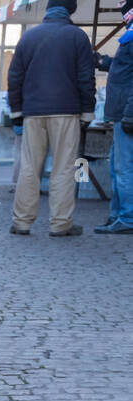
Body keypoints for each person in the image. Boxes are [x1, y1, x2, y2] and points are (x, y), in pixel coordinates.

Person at [8, 0, 96, 237]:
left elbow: (14, 77)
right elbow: (86, 79)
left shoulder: (28, 37)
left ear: (48, 10)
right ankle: (60, 224)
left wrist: (16, 111)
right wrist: (88, 111)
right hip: (66, 111)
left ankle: (22, 222)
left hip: (33, 113)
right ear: (70, 10)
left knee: (29, 167)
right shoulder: (77, 37)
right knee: (64, 169)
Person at [96, 0, 133, 234]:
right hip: (121, 114)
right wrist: (104, 62)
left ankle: (127, 218)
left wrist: (130, 114)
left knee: (124, 168)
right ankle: (117, 214)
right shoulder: (130, 34)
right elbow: (125, 68)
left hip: (126, 115)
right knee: (117, 167)